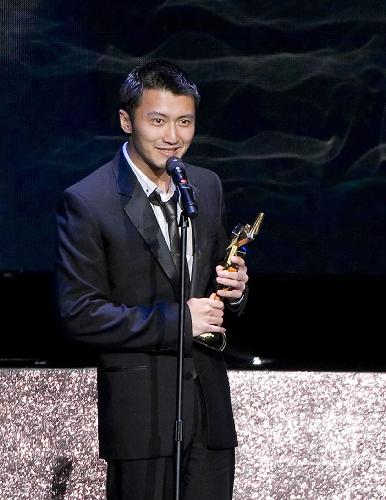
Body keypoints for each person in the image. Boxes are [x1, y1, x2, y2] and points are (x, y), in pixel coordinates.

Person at [55, 60, 249, 500]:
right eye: (157, 121)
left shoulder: (206, 184)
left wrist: (235, 290)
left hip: (208, 411)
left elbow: (214, 282)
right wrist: (181, 322)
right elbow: (79, 314)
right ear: (127, 120)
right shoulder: (89, 201)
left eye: (185, 122)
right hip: (142, 417)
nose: (173, 137)